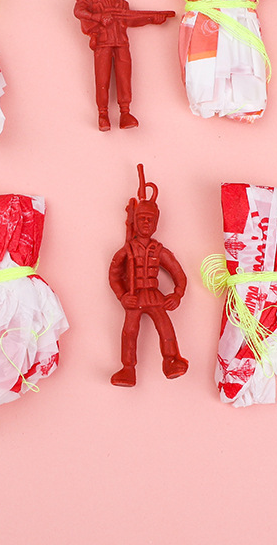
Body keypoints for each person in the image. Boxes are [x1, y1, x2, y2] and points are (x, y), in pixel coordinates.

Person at [73, 0, 172, 131]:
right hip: (102, 43)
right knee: (102, 79)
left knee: (124, 78)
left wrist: (153, 19)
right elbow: (78, 11)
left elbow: (131, 19)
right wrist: (98, 17)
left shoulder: (120, 2)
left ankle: (125, 113)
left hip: (121, 43)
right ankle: (103, 114)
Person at [109, 165, 188, 387]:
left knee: (166, 328)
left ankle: (171, 360)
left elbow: (179, 274)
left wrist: (177, 294)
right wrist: (122, 296)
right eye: (142, 218)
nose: (145, 223)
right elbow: (114, 274)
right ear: (134, 221)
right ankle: (128, 369)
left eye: (150, 220)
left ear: (156, 223)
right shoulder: (126, 250)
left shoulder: (159, 251)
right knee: (129, 332)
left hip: (154, 296)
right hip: (133, 298)